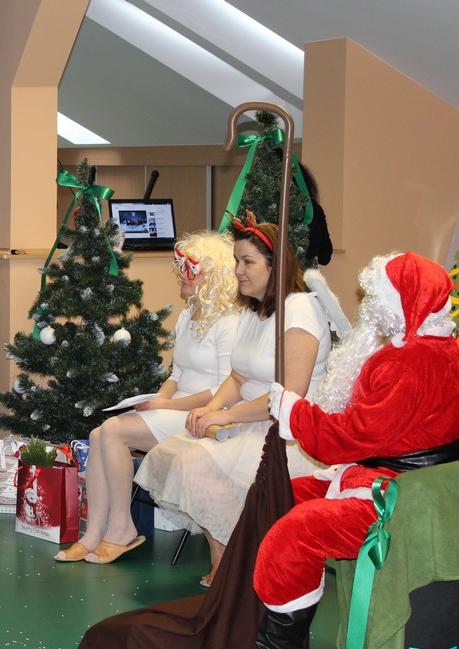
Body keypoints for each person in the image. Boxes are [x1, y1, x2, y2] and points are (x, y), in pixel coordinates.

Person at [250, 252, 459, 649]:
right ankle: (273, 624)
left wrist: (295, 413)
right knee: (281, 495)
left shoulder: (412, 361)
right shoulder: (423, 347)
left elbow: (354, 435)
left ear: (406, 304)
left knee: (298, 529)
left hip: (400, 497)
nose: (370, 306)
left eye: (377, 298)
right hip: (392, 475)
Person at [134, 212, 337, 587]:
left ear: (275, 266)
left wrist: (227, 417)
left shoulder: (301, 310)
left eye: (248, 262)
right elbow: (238, 376)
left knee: (194, 464)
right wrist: (211, 408)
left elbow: (289, 396)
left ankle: (234, 559)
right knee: (169, 455)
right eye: (236, 261)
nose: (238, 271)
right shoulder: (253, 311)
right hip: (248, 420)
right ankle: (225, 558)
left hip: (289, 433)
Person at [55, 231, 241, 564]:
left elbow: (223, 390)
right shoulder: (188, 316)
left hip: (203, 415)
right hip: (174, 408)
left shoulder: (228, 322)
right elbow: (176, 375)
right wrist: (156, 399)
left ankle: (121, 528)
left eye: (190, 270)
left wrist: (165, 404)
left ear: (213, 278)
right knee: (98, 434)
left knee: (112, 431)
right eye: (181, 268)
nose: (182, 275)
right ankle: (94, 533)